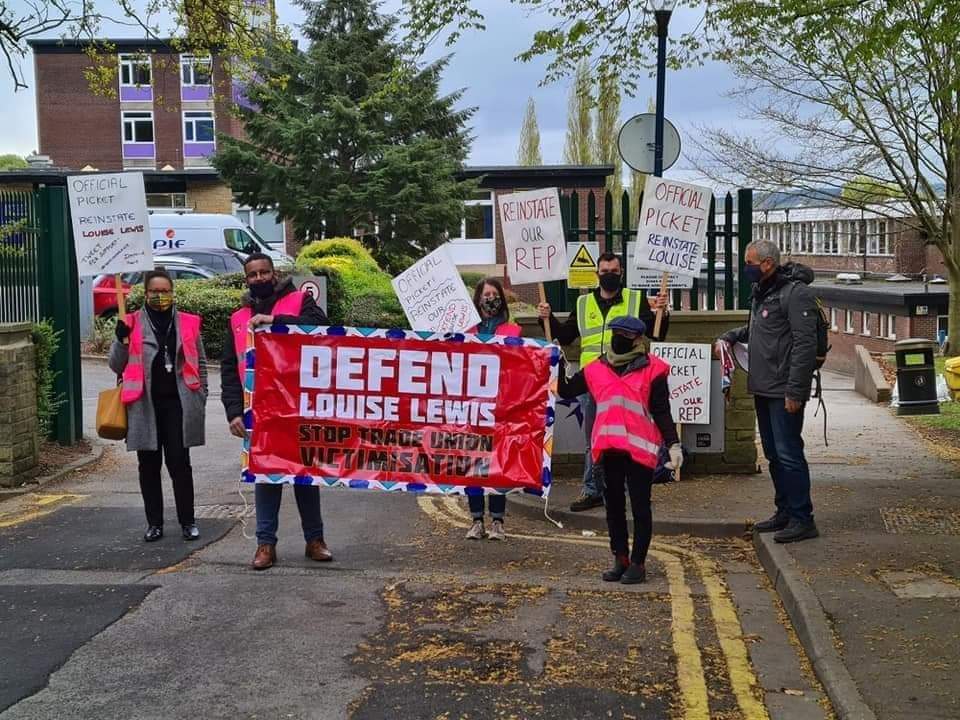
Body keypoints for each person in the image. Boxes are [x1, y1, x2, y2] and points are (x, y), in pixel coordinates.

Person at [221, 253, 333, 570]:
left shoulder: (299, 301)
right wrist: (233, 412)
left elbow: (322, 328)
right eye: (252, 275)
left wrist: (276, 322)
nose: (259, 278)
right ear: (246, 279)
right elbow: (230, 369)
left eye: (264, 272)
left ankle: (315, 540)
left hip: (299, 404)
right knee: (265, 478)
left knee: (305, 476)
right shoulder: (237, 318)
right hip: (259, 410)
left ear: (275, 273)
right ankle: (265, 544)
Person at [538, 252, 670, 512]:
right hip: (593, 381)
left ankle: (622, 489)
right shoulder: (583, 303)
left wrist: (662, 314)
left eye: (614, 270)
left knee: (627, 436)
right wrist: (547, 316)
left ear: (621, 273)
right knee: (594, 439)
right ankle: (592, 490)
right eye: (604, 270)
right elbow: (564, 337)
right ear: (597, 273)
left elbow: (655, 334)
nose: (609, 274)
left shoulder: (635, 299)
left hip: (627, 380)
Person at [558, 316, 682, 584]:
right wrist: (555, 361)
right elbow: (565, 391)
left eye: (626, 335)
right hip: (608, 449)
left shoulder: (653, 370)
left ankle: (638, 563)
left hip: (640, 451)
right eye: (616, 333)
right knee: (613, 507)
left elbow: (661, 411)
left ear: (638, 339)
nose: (619, 339)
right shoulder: (596, 368)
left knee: (640, 507)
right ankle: (620, 559)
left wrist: (673, 444)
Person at [715, 240, 820, 543]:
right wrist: (731, 335)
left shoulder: (795, 294)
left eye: (750, 262)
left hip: (784, 389)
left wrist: (795, 392)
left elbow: (804, 345)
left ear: (768, 263)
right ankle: (784, 510)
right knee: (774, 454)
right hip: (764, 386)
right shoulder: (763, 292)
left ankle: (803, 518)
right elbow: (757, 330)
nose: (745, 267)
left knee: (789, 454)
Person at [109, 270, 207, 542]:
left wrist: (201, 396)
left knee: (179, 463)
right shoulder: (130, 322)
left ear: (173, 292)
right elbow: (116, 366)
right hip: (144, 405)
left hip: (178, 405)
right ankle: (154, 523)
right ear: (146, 293)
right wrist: (120, 339)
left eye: (165, 291)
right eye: (154, 291)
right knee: (149, 466)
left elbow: (200, 363)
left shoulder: (188, 323)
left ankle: (188, 522)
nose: (160, 296)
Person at [464, 277, 520, 541]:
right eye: (485, 294)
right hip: (473, 407)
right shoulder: (467, 331)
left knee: (498, 465)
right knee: (473, 464)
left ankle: (498, 522)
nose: (490, 298)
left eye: (494, 294)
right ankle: (476, 520)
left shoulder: (513, 331)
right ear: (477, 300)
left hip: (502, 407)